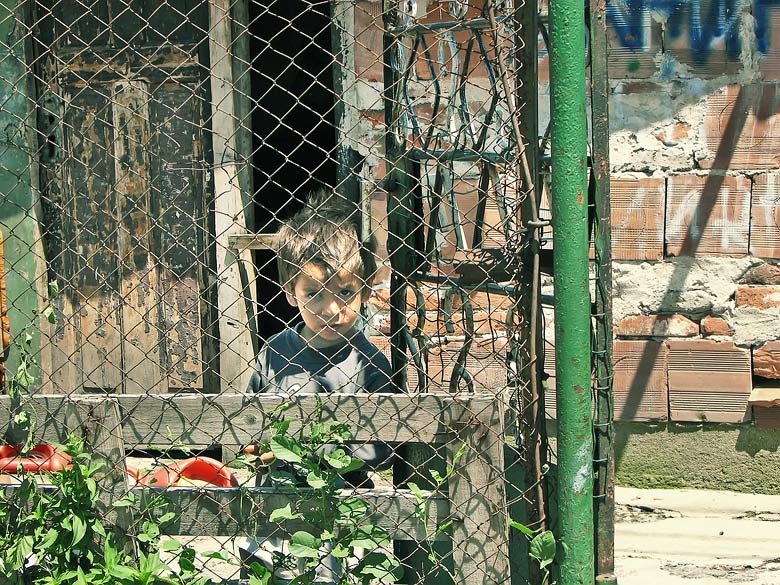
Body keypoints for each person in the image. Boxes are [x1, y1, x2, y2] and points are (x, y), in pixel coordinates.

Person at [241, 190, 395, 582]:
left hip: (340, 502)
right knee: (266, 572)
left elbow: (380, 449)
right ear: (291, 294)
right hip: (276, 501)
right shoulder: (275, 352)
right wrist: (256, 449)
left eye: (345, 292)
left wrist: (317, 455)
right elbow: (249, 419)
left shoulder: (370, 365)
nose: (331, 309)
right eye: (314, 294)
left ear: (365, 289)